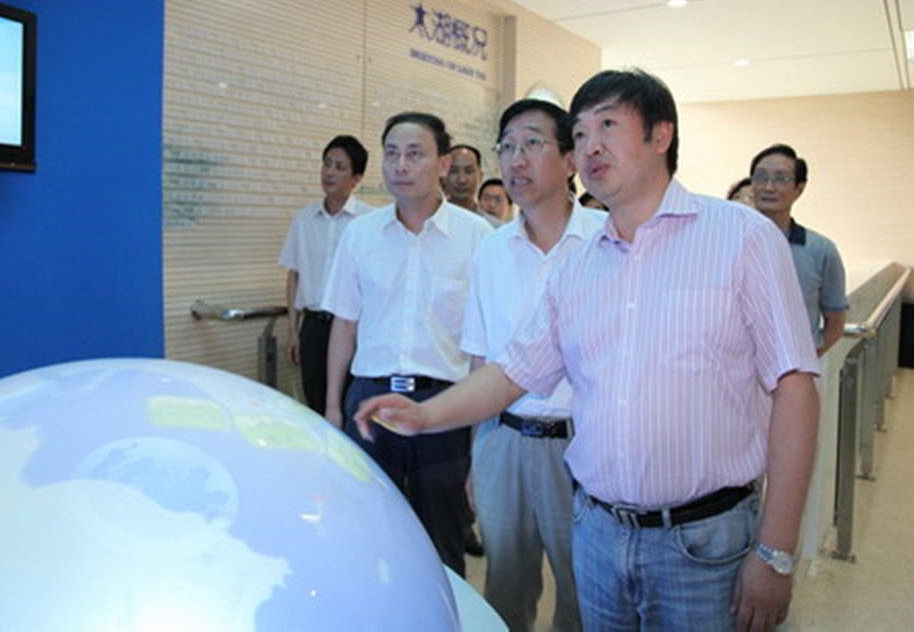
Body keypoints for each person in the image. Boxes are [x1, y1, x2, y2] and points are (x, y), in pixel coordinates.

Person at [355, 69, 821, 631]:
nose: (591, 145)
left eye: (608, 125)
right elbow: (512, 372)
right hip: (599, 534)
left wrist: (776, 551)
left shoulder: (741, 237)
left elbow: (795, 387)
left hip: (703, 541)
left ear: (661, 135)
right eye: (580, 133)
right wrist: (426, 415)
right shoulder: (578, 264)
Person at [321, 112, 492, 576]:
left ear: (443, 164)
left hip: (445, 406)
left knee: (443, 542)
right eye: (392, 153)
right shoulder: (361, 234)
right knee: (370, 533)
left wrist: (479, 437)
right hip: (370, 403)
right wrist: (333, 409)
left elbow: (483, 347)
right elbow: (344, 325)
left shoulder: (477, 238)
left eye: (415, 154)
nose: (400, 165)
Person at [463, 99, 605, 631]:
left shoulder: (607, 239)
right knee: (505, 588)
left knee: (584, 590)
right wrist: (475, 456)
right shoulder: (490, 250)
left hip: (583, 443)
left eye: (531, 144)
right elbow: (480, 359)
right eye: (506, 147)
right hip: (502, 440)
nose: (515, 160)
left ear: (570, 160)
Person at [278, 135, 372, 415]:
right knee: (316, 405)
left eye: (339, 167)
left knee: (352, 406)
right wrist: (293, 331)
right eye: (327, 164)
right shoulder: (303, 220)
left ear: (356, 179)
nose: (329, 172)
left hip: (354, 328)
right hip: (314, 327)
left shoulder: (368, 223)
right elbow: (294, 276)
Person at [750, 144, 849, 356]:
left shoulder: (821, 250)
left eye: (780, 179)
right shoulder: (730, 243)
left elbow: (835, 322)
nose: (768, 187)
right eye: (761, 177)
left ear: (799, 188)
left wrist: (806, 361)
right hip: (738, 368)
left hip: (795, 366)